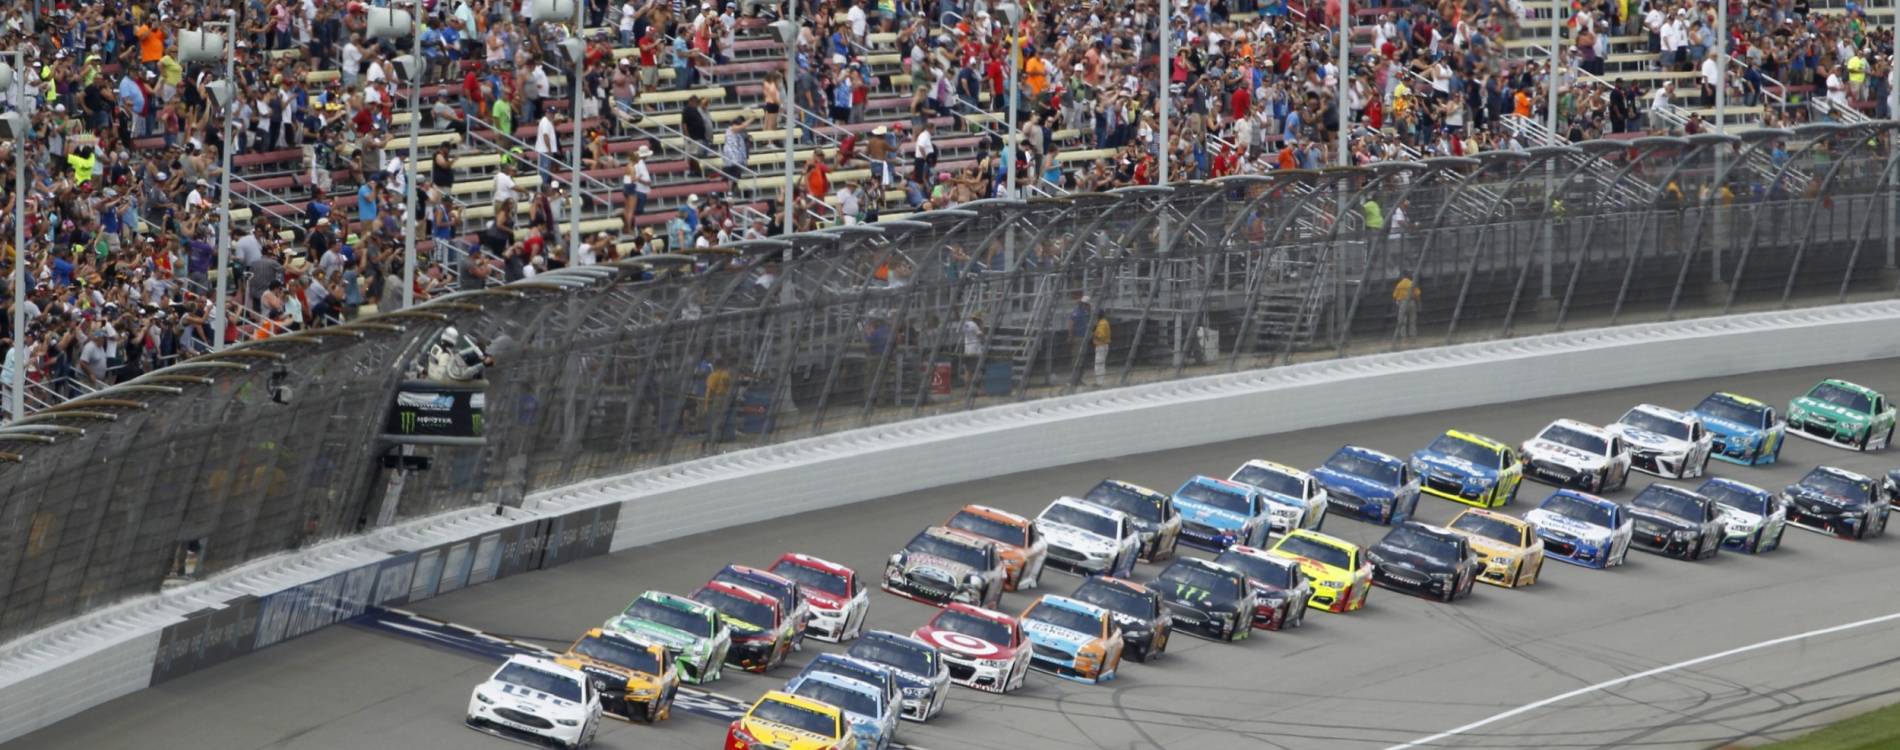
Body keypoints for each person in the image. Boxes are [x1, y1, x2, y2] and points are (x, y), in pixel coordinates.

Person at [1393, 275, 1421, 341]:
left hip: (1403, 303)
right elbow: (1417, 295)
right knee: (1412, 320)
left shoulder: (1399, 285)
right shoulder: (1412, 283)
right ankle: (1413, 336)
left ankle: (1403, 337)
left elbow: (1394, 296)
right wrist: (1419, 303)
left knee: (1402, 321)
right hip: (1412, 302)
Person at [1091, 312, 1112, 387]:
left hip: (1101, 345)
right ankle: (1101, 382)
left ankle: (1099, 382)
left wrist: (1094, 333)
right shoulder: (1104, 322)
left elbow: (1101, 336)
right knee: (1101, 364)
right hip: (1104, 345)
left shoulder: (1101, 323)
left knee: (1098, 365)